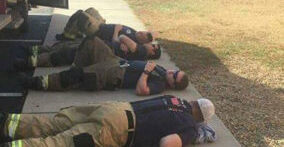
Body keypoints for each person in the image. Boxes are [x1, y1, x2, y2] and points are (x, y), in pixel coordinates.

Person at [0, 95, 215, 147]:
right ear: (201, 119)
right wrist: (192, 136)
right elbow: (167, 145)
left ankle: (3, 123)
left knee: (57, 124)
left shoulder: (173, 99)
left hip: (115, 107)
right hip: (118, 129)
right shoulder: (188, 125)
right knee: (63, 144)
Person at [18, 36, 188, 95]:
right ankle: (33, 60)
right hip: (115, 61)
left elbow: (141, 90)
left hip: (113, 76)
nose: (172, 72)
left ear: (172, 85)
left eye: (175, 76)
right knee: (91, 41)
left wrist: (146, 72)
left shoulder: (159, 85)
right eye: (176, 71)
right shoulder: (163, 70)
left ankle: (36, 83)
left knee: (75, 77)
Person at [14, 34, 161, 70]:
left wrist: (125, 42)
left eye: (153, 46)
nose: (151, 45)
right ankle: (31, 51)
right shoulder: (139, 48)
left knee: (67, 53)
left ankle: (27, 62)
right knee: (65, 46)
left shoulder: (141, 51)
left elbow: (122, 37)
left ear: (152, 52)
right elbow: (119, 40)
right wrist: (123, 43)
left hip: (103, 52)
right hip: (105, 47)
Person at [55, 7, 155, 44]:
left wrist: (116, 30)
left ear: (142, 41)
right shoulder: (135, 33)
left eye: (142, 35)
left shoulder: (131, 40)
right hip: (102, 25)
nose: (141, 32)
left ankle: (67, 35)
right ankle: (78, 31)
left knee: (81, 15)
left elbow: (115, 44)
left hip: (98, 31)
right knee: (91, 10)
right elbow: (153, 34)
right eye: (143, 32)